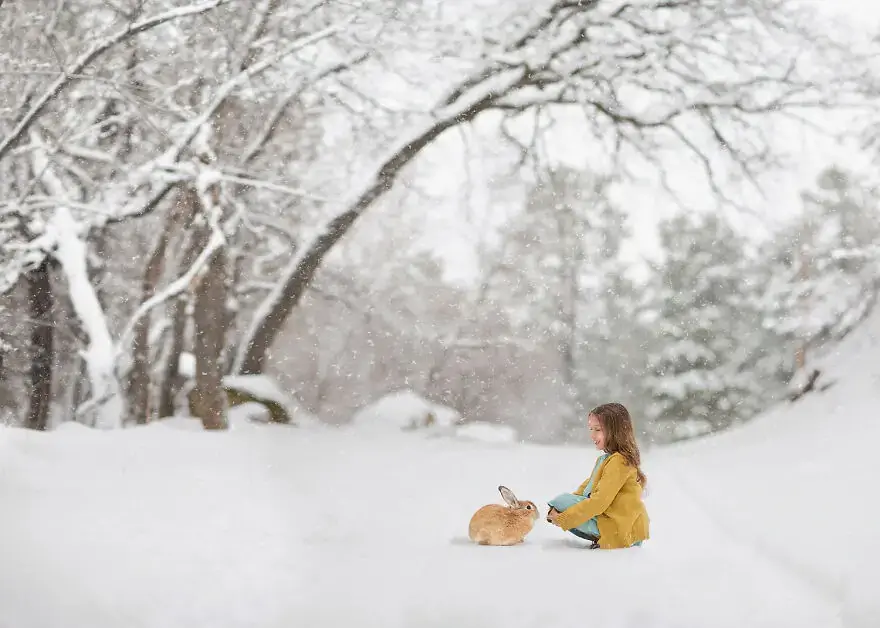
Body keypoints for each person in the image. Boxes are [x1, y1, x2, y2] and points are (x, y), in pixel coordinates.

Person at [546, 402, 649, 549]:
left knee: (562, 502)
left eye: (598, 429)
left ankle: (610, 538)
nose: (592, 435)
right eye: (591, 429)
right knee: (561, 502)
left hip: (622, 529)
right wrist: (560, 509)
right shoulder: (605, 460)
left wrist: (564, 518)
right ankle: (603, 537)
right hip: (615, 524)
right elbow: (583, 491)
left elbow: (599, 502)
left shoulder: (619, 462)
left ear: (616, 431)